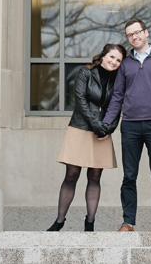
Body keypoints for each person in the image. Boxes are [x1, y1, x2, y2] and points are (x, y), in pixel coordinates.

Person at [102, 18, 151, 232]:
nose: (134, 37)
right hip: (131, 126)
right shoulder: (125, 63)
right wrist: (107, 123)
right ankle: (128, 222)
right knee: (129, 177)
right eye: (130, 35)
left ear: (146, 33)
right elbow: (117, 96)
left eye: (137, 32)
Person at [47, 43, 125, 232]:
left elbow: (116, 107)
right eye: (112, 57)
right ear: (103, 55)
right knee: (71, 175)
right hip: (80, 128)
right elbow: (80, 101)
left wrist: (109, 128)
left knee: (95, 177)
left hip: (102, 132)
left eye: (118, 60)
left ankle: (89, 223)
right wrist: (96, 125)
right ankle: (59, 221)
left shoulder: (118, 81)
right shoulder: (86, 73)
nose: (114, 62)